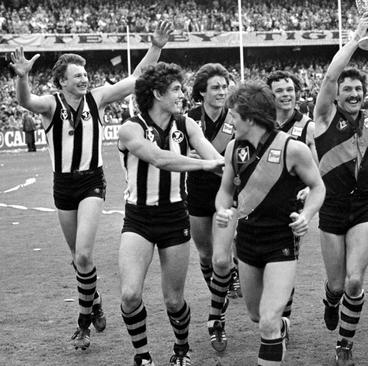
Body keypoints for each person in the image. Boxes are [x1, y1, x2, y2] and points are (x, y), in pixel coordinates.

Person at [9, 21, 173, 350]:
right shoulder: (51, 105)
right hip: (63, 186)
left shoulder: (96, 99)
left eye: (85, 74)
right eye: (77, 76)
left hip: (91, 183)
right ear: (62, 81)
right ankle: (94, 300)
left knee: (83, 253)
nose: (84, 79)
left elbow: (137, 78)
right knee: (78, 259)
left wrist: (155, 47)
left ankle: (83, 323)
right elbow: (26, 101)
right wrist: (23, 76)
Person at [118, 62, 224, 366]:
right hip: (138, 219)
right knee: (129, 295)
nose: (182, 94)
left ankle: (181, 349)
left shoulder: (187, 125)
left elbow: (215, 159)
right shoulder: (130, 128)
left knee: (174, 299)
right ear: (156, 93)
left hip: (175, 217)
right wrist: (204, 165)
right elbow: (157, 158)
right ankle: (143, 356)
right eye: (176, 89)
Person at [213, 81, 325, 365]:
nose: (230, 122)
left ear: (250, 117)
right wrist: (222, 210)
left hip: (281, 242)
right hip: (248, 241)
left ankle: (276, 326)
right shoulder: (233, 149)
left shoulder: (292, 149)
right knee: (255, 315)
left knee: (267, 321)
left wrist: (306, 215)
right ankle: (281, 327)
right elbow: (226, 191)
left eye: (234, 116)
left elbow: (318, 187)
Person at [313, 16, 368, 365]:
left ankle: (345, 343)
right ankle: (330, 300)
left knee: (353, 281)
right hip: (331, 209)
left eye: (358, 90)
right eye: (347, 90)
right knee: (336, 286)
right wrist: (357, 39)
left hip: (363, 207)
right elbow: (331, 76)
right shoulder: (322, 118)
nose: (353, 94)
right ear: (338, 94)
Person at [184, 63, 238, 354]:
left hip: (227, 194)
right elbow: (172, 155)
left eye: (224, 86)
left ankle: (216, 316)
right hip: (197, 194)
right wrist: (187, 154)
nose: (221, 92)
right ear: (202, 91)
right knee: (206, 255)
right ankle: (221, 294)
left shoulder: (237, 119)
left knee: (221, 260)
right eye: (215, 87)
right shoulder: (188, 120)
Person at [266, 70, 318, 322]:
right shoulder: (261, 124)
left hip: (292, 210)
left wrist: (309, 188)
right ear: (270, 95)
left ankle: (283, 320)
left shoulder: (307, 127)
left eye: (290, 90)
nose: (286, 95)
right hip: (259, 206)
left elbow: (317, 170)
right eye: (280, 91)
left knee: (285, 264)